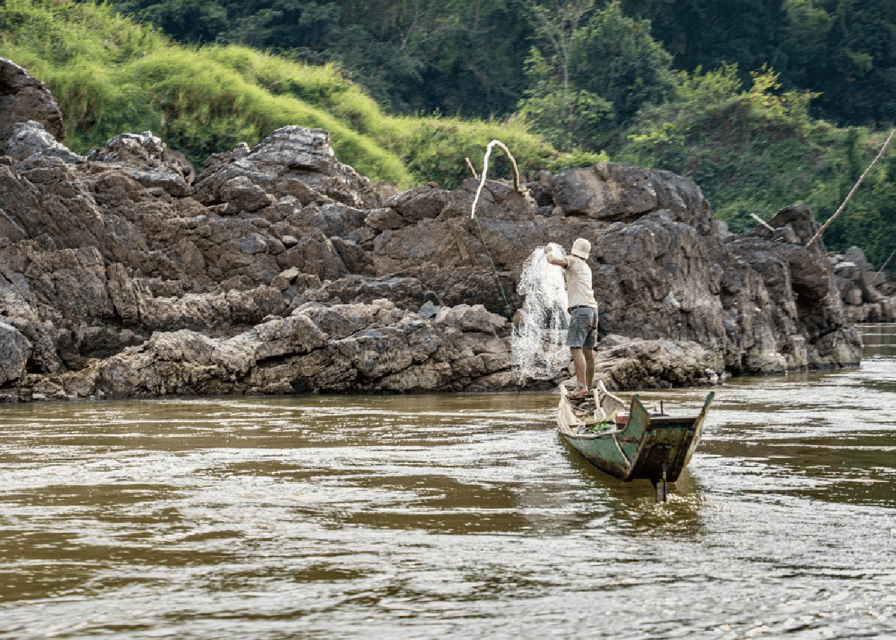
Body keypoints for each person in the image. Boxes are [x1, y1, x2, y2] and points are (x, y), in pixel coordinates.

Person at [545, 238, 598, 398]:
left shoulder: (572, 260)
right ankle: (588, 387)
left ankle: (580, 387)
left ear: (574, 249)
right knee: (588, 351)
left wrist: (548, 250)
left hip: (581, 311)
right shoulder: (585, 267)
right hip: (593, 311)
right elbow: (574, 282)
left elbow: (553, 260)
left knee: (576, 348)